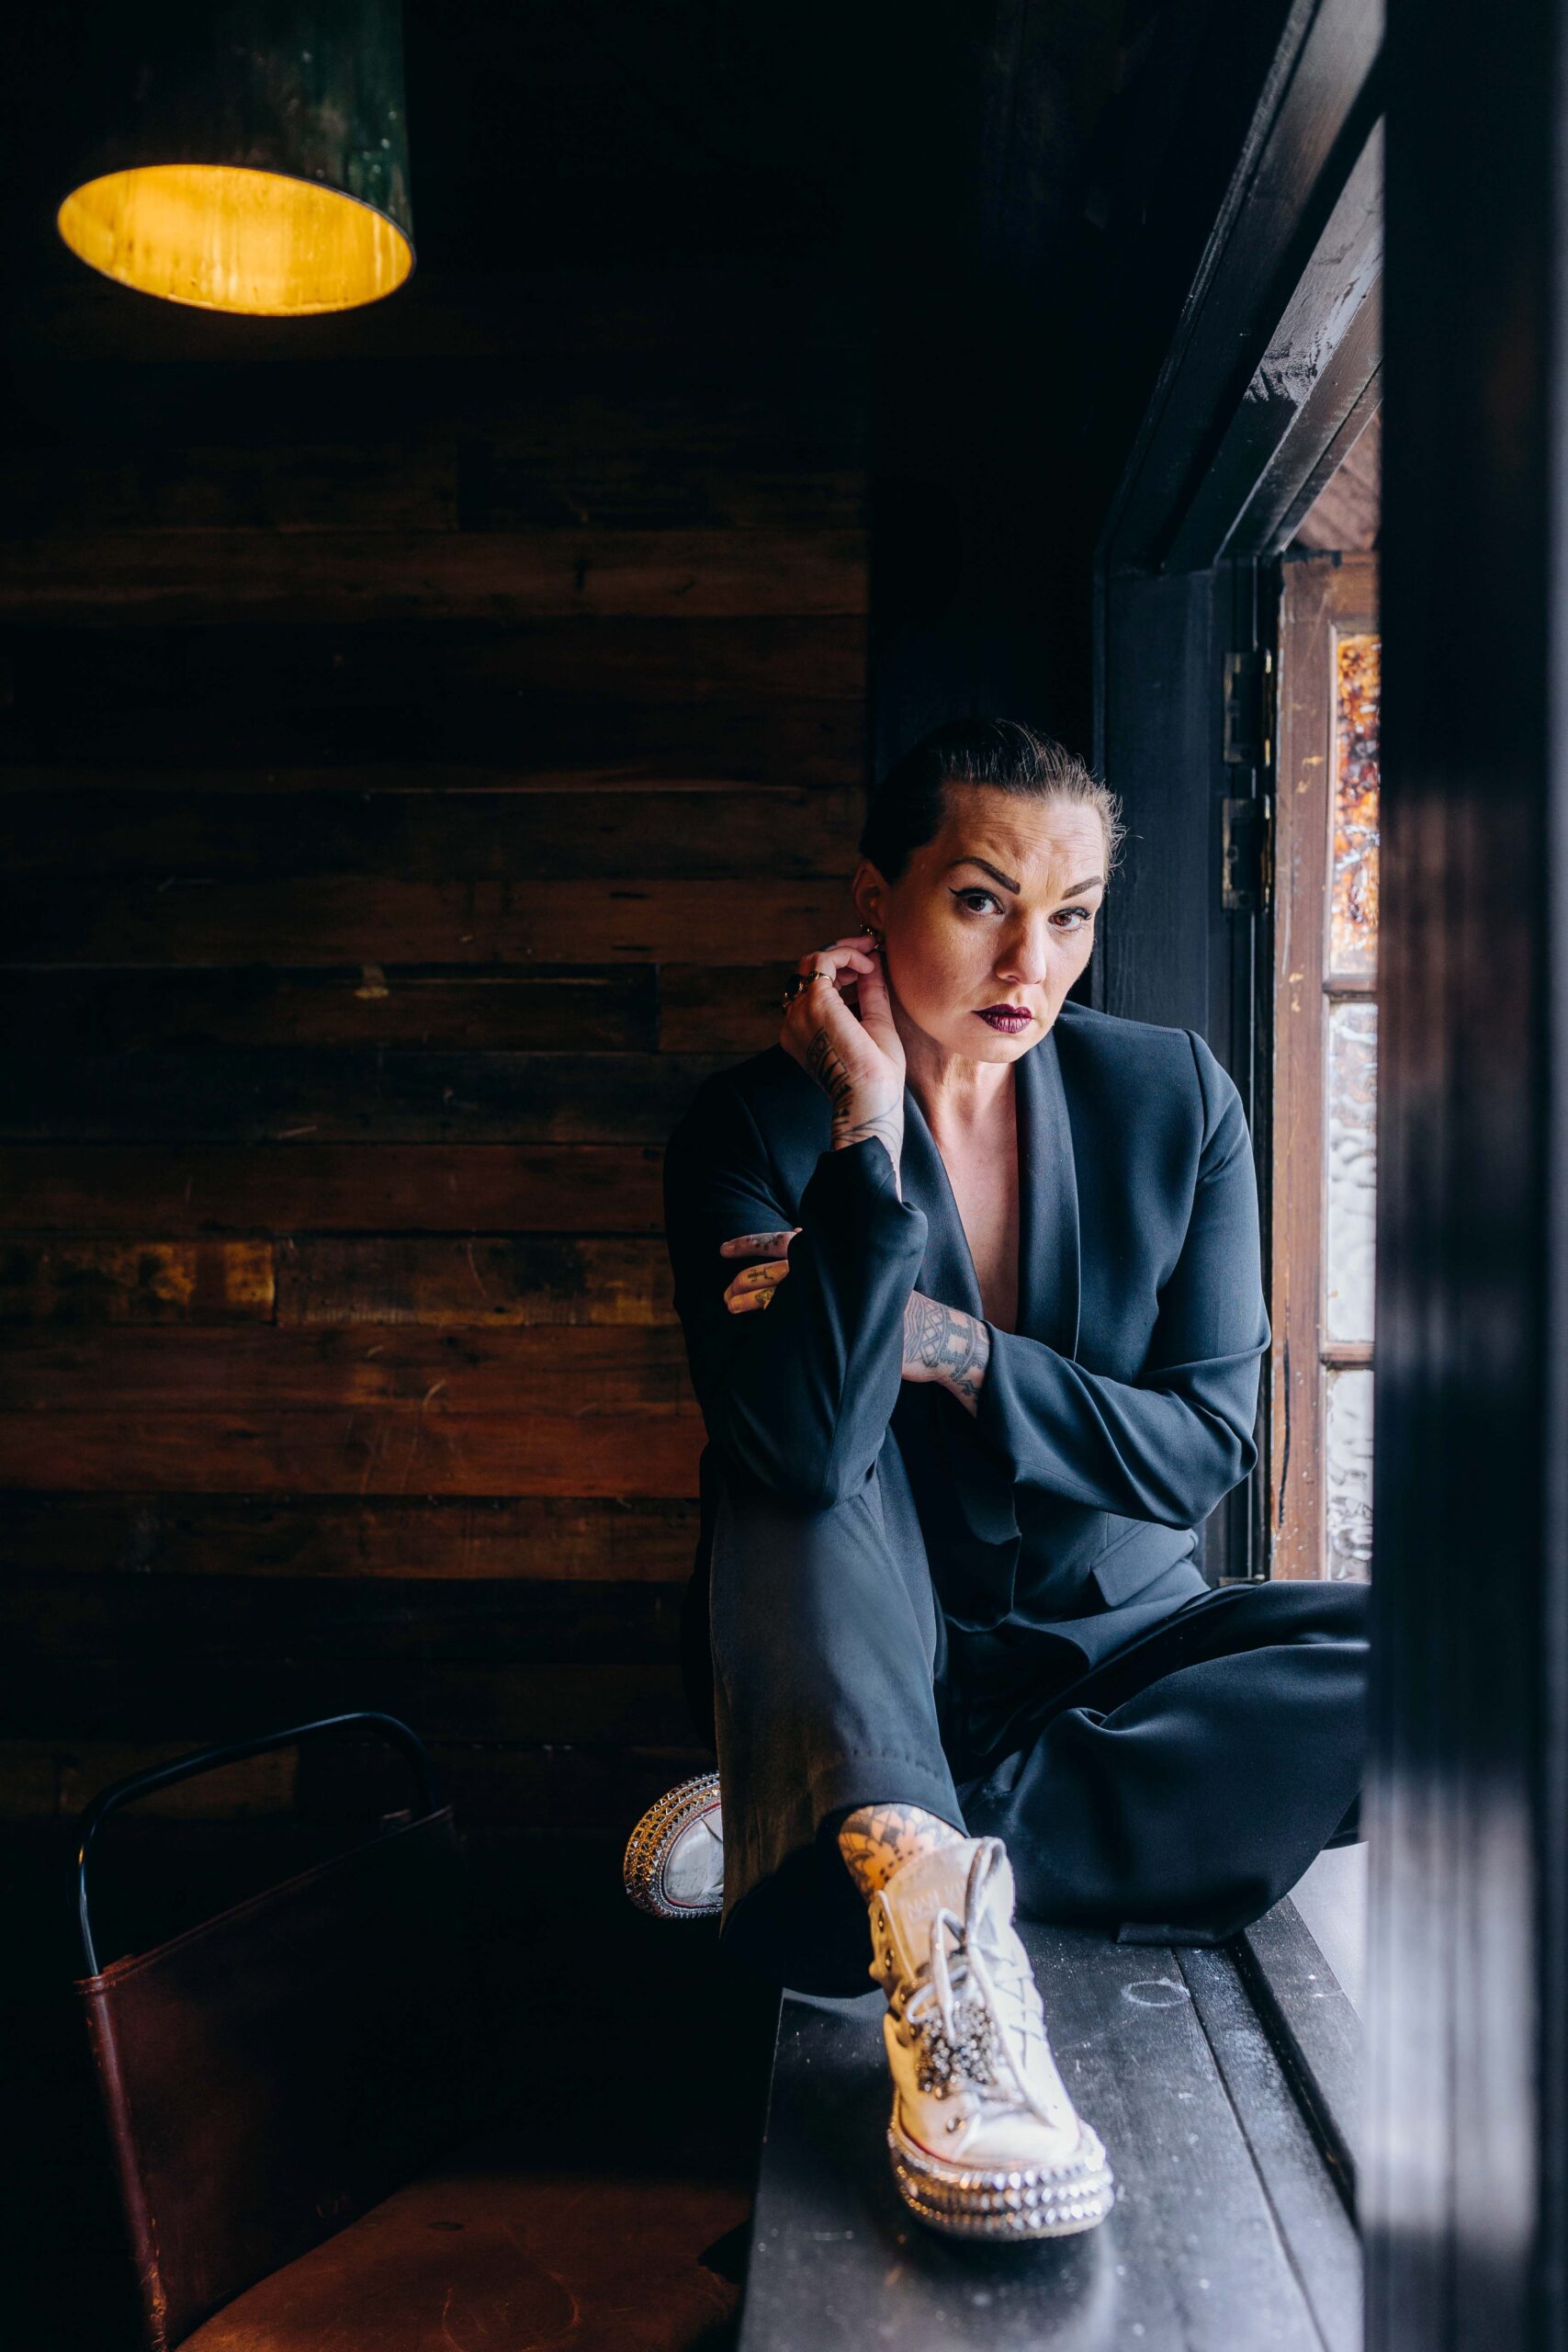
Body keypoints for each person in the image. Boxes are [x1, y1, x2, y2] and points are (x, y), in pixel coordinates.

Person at [622, 718, 1368, 2242]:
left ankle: (831, 1821)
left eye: (1074, 913)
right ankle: (881, 1832)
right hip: (885, 1652)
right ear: (875, 893)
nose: (1034, 955)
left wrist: (960, 1351)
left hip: (1125, 1650)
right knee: (788, 1450)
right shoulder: (751, 1133)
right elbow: (808, 1454)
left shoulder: (1176, 1099)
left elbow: (1207, 1445)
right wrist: (865, 1128)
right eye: (980, 899)